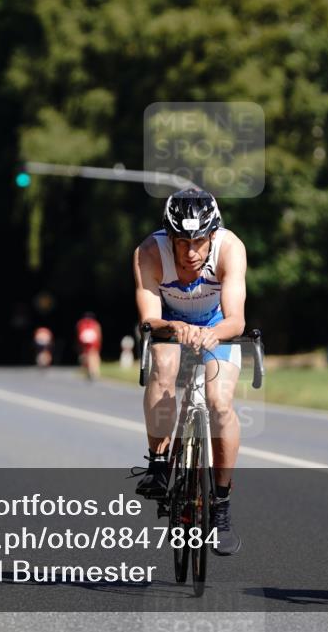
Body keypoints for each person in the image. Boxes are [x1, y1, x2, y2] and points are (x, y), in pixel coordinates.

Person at [131, 188, 248, 556]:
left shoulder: (231, 248)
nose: (192, 252)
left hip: (217, 327)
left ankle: (222, 506)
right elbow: (148, 318)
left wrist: (210, 334)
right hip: (169, 325)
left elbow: (237, 320)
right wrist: (174, 327)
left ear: (213, 234)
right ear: (169, 236)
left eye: (199, 241)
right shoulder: (149, 252)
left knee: (218, 403)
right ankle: (160, 463)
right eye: (182, 242)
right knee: (163, 367)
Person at [76, 313, 102, 380]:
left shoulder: (81, 323)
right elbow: (98, 334)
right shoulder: (95, 324)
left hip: (85, 343)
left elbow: (78, 334)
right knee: (93, 356)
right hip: (93, 342)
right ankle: (94, 371)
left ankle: (91, 370)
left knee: (87, 356)